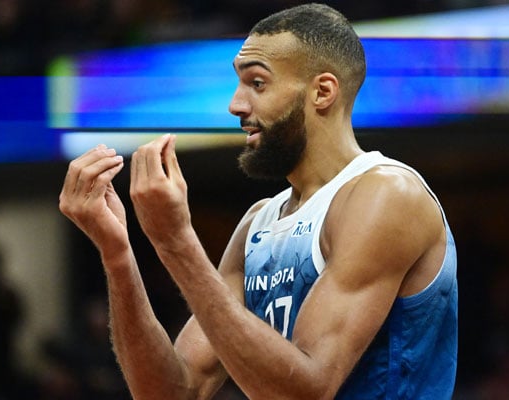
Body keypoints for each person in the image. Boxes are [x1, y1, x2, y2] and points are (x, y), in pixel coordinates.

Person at [59, 3, 458, 399]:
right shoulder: (258, 223)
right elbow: (171, 394)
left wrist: (175, 241)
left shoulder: (386, 195)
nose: (236, 104)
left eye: (258, 83)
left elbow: (307, 391)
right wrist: (117, 255)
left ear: (322, 92)